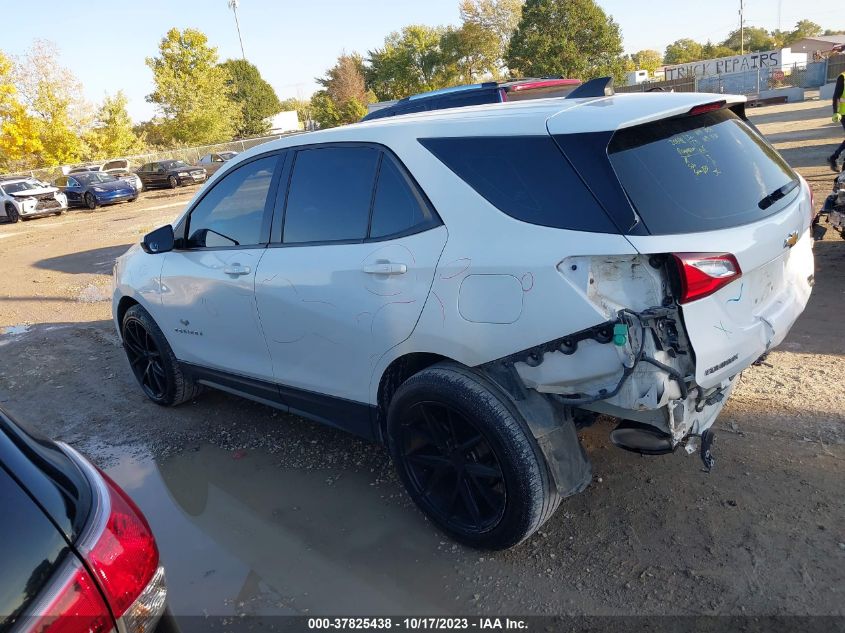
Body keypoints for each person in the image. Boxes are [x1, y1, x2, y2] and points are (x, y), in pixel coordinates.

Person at [827, 71, 845, 172]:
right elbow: (836, 96)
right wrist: (836, 112)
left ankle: (834, 158)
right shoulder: (842, 77)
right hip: (843, 113)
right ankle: (834, 158)